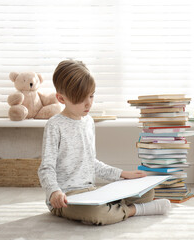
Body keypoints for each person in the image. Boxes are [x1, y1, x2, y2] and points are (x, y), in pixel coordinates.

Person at [38, 59, 171, 225]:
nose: (89, 103)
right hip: (66, 199)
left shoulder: (88, 122)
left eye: (91, 95)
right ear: (61, 98)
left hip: (91, 192)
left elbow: (92, 163)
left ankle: (111, 205)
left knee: (146, 192)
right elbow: (45, 169)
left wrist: (123, 174)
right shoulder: (54, 125)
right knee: (97, 214)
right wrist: (54, 193)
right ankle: (134, 210)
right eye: (81, 99)